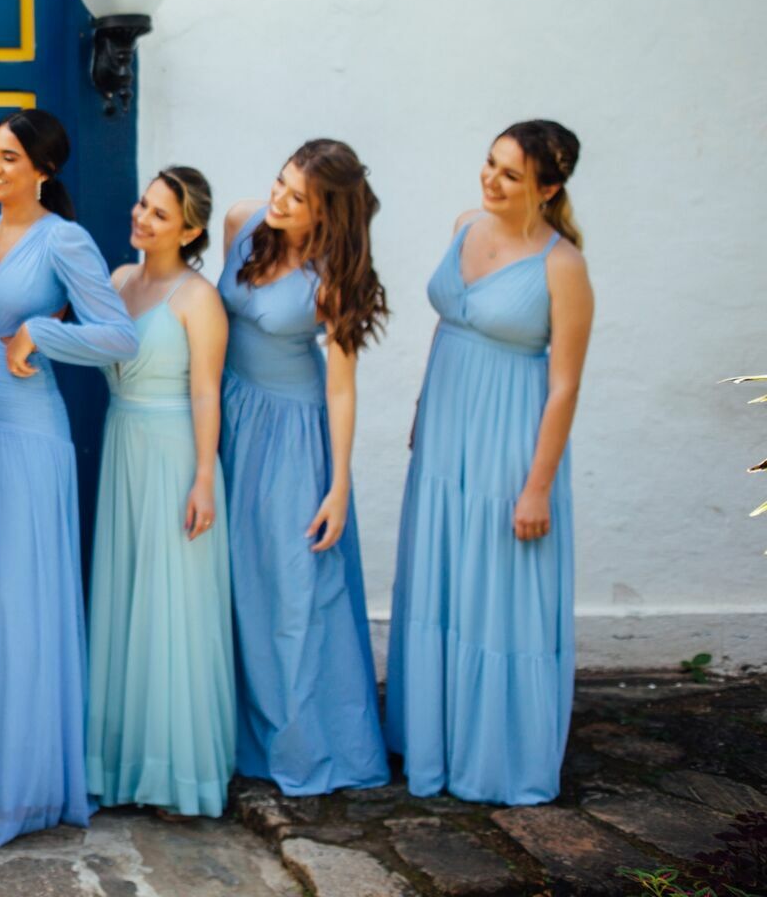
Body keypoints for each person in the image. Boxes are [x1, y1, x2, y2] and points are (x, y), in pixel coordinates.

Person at [0, 109, 139, 847]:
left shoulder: (65, 239)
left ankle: (16, 790)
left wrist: (41, 331)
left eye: (8, 158)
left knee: (16, 601)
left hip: (26, 431)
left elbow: (119, 333)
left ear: (42, 169)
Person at [386, 121, 592, 805]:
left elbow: (563, 385)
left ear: (549, 188)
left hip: (509, 442)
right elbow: (451, 326)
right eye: (490, 163)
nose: (490, 180)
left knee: (497, 593)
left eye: (510, 175)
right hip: (446, 435)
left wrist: (537, 487)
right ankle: (433, 740)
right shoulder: (464, 223)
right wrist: (421, 407)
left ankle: (496, 756)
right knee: (442, 579)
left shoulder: (563, 267)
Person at [218, 139, 390, 796]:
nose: (279, 203)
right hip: (227, 415)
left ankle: (312, 745)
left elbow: (341, 387)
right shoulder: (243, 221)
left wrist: (339, 484)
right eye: (280, 185)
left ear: (328, 213)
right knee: (233, 580)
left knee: (291, 589)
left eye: (298, 199)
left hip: (290, 435)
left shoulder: (332, 273)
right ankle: (235, 737)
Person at [87, 167, 236, 818]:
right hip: (124, 443)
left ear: (192, 230)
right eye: (143, 203)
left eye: (159, 213)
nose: (141, 218)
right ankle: (123, 765)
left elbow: (207, 390)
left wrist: (204, 476)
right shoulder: (121, 280)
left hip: (176, 454)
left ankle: (178, 774)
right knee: (128, 601)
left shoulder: (198, 297)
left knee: (174, 606)